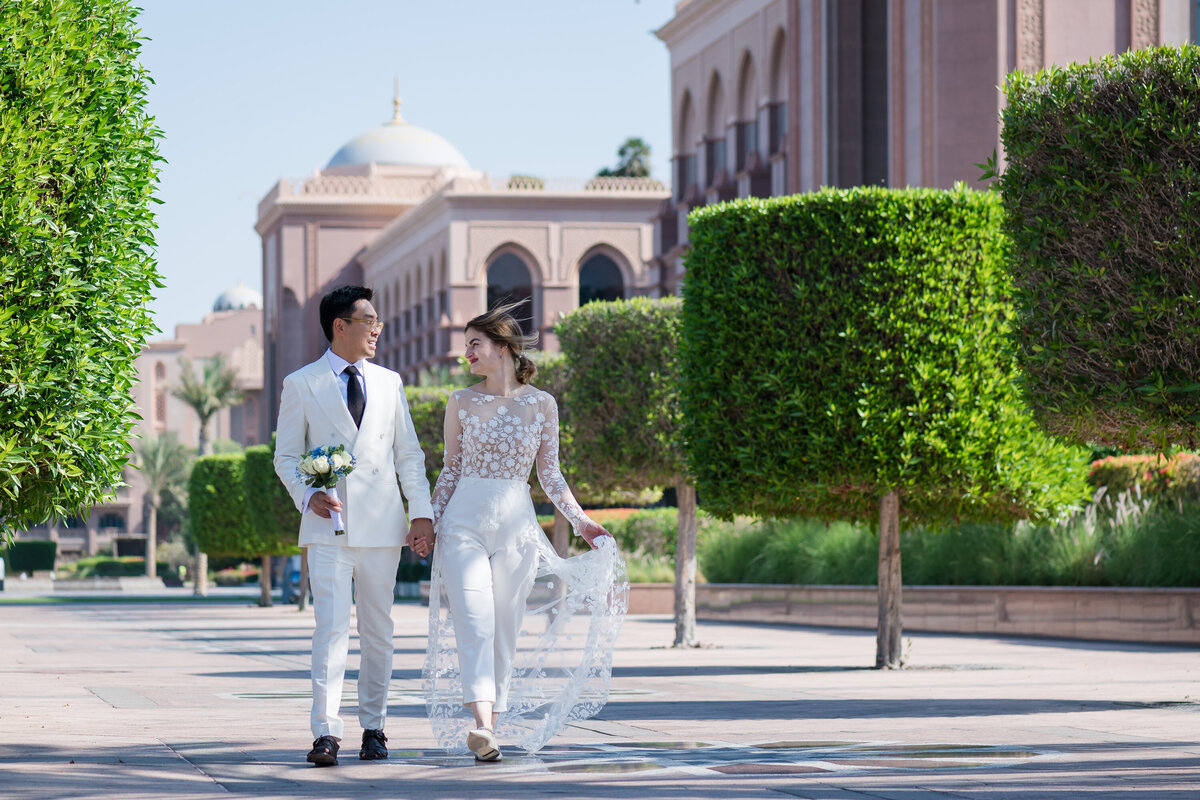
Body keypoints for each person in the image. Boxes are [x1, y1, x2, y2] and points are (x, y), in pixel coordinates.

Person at [418, 302, 628, 761]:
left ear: (504, 346)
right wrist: (428, 520)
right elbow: (450, 471)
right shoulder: (460, 401)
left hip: (517, 529)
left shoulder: (542, 404)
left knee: (505, 627)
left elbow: (550, 476)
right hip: (462, 526)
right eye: (467, 346)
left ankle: (489, 726)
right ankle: (480, 725)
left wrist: (583, 522)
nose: (468, 353)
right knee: (473, 620)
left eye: (475, 344)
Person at [274, 285, 434, 766]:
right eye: (369, 320)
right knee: (329, 629)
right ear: (340, 326)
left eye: (377, 321)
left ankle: (375, 727)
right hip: (329, 528)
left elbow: (408, 454)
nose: (377, 329)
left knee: (379, 631)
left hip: (384, 527)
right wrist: (308, 494)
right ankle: (325, 732)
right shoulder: (300, 383)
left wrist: (421, 512)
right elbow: (285, 457)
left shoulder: (390, 382)